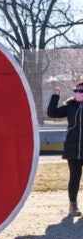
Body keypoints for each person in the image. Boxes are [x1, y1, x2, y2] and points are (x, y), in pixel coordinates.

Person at [48, 84, 83, 217]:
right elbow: (52, 113)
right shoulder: (70, 107)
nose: (78, 93)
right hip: (72, 149)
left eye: (81, 91)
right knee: (75, 177)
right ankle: (73, 205)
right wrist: (55, 95)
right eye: (76, 91)